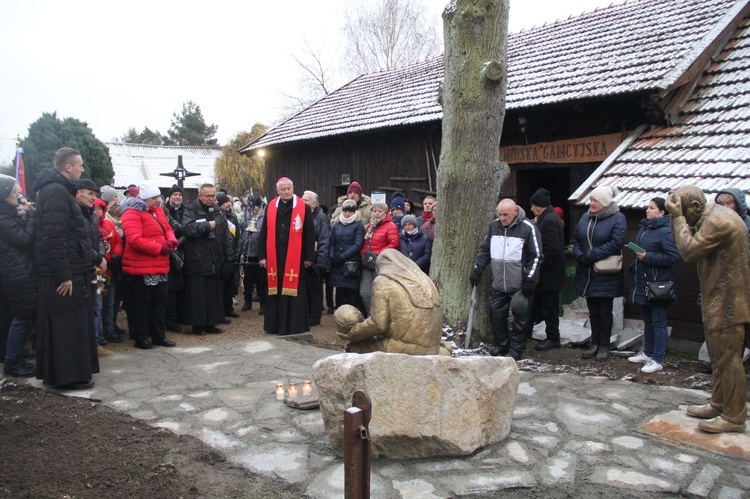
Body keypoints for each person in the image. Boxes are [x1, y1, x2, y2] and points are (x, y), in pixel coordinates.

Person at [667, 185, 750, 433]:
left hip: (729, 300)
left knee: (728, 359)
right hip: (719, 296)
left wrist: (678, 219)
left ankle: (734, 417)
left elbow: (689, 251)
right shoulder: (711, 216)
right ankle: (719, 403)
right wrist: (682, 219)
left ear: (694, 207)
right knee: (718, 357)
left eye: (682, 210)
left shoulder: (719, 221)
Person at [32, 147, 100, 390]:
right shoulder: (55, 192)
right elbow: (54, 236)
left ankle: (73, 372)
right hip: (64, 273)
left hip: (72, 267)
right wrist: (64, 274)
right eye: (79, 165)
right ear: (68, 167)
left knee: (73, 325)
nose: (82, 169)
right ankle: (68, 375)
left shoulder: (57, 190)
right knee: (66, 327)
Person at [470, 199, 542, 360]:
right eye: (500, 214)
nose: (502, 218)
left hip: (520, 284)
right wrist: (477, 271)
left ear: (515, 212)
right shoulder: (493, 227)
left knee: (520, 319)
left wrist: (530, 279)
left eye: (506, 215)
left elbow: (536, 256)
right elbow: (484, 251)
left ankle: (516, 349)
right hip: (498, 282)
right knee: (496, 315)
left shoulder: (528, 228)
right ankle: (501, 345)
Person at [120, 180, 178, 349]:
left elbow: (168, 229)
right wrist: (159, 248)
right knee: (142, 304)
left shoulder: (158, 211)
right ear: (144, 198)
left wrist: (172, 242)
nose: (157, 201)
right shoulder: (132, 213)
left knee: (160, 303)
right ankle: (141, 336)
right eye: (153, 198)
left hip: (159, 266)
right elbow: (134, 239)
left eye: (157, 197)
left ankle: (159, 335)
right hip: (141, 267)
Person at [626, 197, 681, 373]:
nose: (647, 211)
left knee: (659, 322)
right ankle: (647, 353)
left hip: (659, 284)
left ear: (662, 212)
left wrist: (647, 257)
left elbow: (673, 257)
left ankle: (658, 359)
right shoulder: (645, 228)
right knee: (648, 320)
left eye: (651, 208)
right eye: (647, 207)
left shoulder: (665, 231)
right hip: (643, 281)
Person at [573, 185, 626, 361]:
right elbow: (578, 239)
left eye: (595, 200)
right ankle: (594, 343)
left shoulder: (618, 218)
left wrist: (592, 255)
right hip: (587, 271)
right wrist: (580, 255)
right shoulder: (585, 217)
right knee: (593, 310)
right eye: (591, 199)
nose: (591, 202)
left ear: (604, 202)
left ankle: (604, 345)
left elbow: (616, 242)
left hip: (606, 272)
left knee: (605, 310)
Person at [258, 177, 316, 335]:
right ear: (277, 191)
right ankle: (275, 325)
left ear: (293, 188)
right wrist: (262, 255)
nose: (286, 191)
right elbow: (263, 232)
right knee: (275, 292)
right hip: (275, 258)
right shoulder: (271, 206)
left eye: (289, 188)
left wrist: (309, 258)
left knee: (295, 294)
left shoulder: (303, 207)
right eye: (283, 189)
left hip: (296, 259)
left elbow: (310, 234)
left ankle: (294, 326)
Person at [182, 183, 235, 335]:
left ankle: (211, 323)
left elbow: (226, 235)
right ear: (200, 196)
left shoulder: (218, 211)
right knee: (198, 294)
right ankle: (198, 325)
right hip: (198, 259)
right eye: (208, 196)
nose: (212, 199)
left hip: (215, 258)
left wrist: (228, 257)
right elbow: (187, 229)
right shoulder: (191, 210)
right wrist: (206, 226)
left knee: (213, 294)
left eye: (213, 196)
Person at [0, 175, 37, 377]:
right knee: (22, 317)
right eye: (15, 193)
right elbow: (24, 239)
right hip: (16, 273)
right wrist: (30, 216)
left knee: (27, 316)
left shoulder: (9, 214)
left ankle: (16, 354)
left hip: (20, 270)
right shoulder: (3, 219)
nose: (19, 196)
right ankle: (12, 361)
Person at [75, 178, 113, 357]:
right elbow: (81, 242)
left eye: (95, 196)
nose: (93, 200)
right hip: (85, 267)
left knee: (98, 304)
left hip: (99, 270)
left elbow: (97, 238)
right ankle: (89, 344)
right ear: (78, 194)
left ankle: (96, 342)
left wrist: (101, 257)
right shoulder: (76, 215)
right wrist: (98, 257)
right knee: (87, 307)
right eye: (90, 194)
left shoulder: (91, 216)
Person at [529, 188, 566, 351]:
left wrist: (538, 265)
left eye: (532, 206)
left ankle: (553, 338)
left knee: (549, 308)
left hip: (550, 275)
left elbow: (552, 250)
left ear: (539, 206)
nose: (531, 209)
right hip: (549, 274)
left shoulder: (549, 221)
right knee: (544, 306)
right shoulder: (548, 218)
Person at [359, 201, 400, 315]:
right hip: (367, 263)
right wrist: (364, 254)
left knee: (380, 293)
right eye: (375, 211)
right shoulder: (371, 225)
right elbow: (365, 243)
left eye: (380, 211)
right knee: (365, 292)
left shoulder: (391, 226)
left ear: (385, 213)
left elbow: (394, 244)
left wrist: (376, 254)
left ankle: (380, 318)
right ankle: (371, 316)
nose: (377, 213)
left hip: (381, 263)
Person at [94, 197, 123, 345]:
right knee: (98, 303)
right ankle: (98, 335)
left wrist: (115, 255)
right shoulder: (92, 227)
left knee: (110, 302)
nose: (97, 212)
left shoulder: (109, 225)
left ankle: (109, 329)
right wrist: (104, 257)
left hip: (110, 270)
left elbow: (118, 241)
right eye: (95, 209)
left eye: (100, 209)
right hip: (99, 272)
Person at [328, 199, 365, 312]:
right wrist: (332, 256)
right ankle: (340, 315)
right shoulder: (337, 224)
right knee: (339, 289)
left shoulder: (358, 225)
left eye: (350, 211)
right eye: (345, 211)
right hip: (337, 263)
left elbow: (358, 244)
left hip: (350, 262)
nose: (347, 213)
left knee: (350, 291)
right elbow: (332, 242)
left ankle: (351, 316)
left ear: (354, 212)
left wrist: (342, 257)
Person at [302, 190, 330, 326]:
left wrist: (321, 263)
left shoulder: (321, 217)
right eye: (302, 199)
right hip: (304, 258)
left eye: (306, 200)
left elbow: (324, 241)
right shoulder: (302, 216)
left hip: (316, 260)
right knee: (306, 288)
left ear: (314, 203)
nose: (303, 202)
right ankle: (306, 313)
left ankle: (315, 316)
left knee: (315, 289)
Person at [163, 184, 186, 332]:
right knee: (169, 290)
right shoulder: (164, 211)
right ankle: (169, 320)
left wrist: (178, 243)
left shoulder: (185, 211)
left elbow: (186, 230)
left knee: (180, 288)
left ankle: (179, 317)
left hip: (181, 252)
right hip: (166, 252)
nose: (177, 197)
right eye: (175, 195)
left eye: (179, 195)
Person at [239, 197, 267, 314]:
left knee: (262, 280)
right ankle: (247, 302)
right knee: (248, 280)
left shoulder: (265, 217)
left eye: (254, 206)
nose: (252, 209)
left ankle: (263, 305)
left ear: (259, 206)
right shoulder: (247, 216)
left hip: (260, 253)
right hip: (248, 253)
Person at [217, 192, 240, 319]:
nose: (228, 204)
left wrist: (237, 248)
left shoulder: (233, 217)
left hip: (232, 255)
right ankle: (220, 311)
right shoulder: (217, 217)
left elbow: (237, 235)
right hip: (222, 256)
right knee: (222, 285)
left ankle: (228, 308)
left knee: (231, 285)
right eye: (225, 202)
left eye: (228, 202)